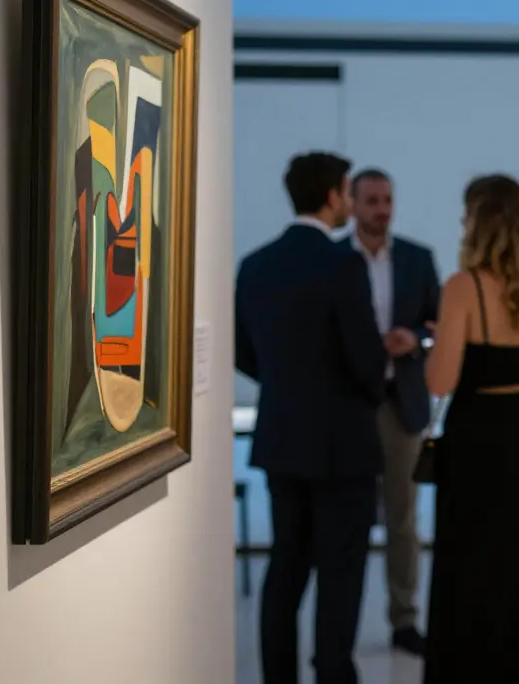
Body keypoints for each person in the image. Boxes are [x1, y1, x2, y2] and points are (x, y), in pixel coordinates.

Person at [235, 151, 388, 684]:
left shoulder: (255, 264)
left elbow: (241, 350)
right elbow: (366, 359)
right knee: (339, 577)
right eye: (348, 192)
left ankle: (277, 675)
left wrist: (287, 385)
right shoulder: (342, 263)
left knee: (285, 570)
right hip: (342, 445)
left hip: (281, 439)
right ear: (332, 197)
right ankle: (332, 676)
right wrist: (370, 387)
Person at [421, 174, 519, 683]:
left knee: (468, 563)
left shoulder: (463, 288)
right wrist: (517, 366)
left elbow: (440, 381)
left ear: (480, 223)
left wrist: (447, 341)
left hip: (474, 436)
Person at [338, 168, 440, 656]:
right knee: (348, 519)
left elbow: (436, 325)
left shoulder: (417, 259)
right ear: (352, 203)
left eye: (387, 199)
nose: (382, 208)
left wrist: (415, 340)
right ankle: (340, 621)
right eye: (372, 200)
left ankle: (404, 619)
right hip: (346, 406)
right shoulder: (333, 259)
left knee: (402, 520)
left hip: (401, 404)